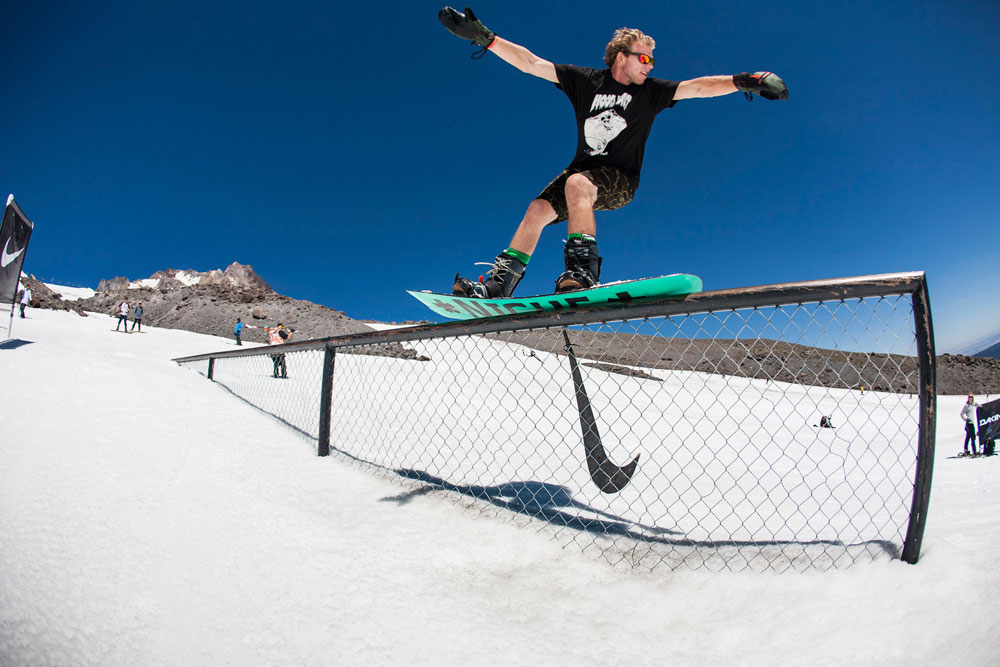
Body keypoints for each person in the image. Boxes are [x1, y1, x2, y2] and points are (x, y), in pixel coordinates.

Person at [439, 7, 789, 298]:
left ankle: (582, 272)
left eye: (652, 60)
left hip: (620, 181)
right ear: (621, 57)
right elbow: (532, 64)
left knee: (577, 184)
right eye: (644, 57)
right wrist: (485, 38)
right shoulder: (585, 81)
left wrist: (742, 81)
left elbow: (697, 87)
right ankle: (500, 285)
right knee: (538, 209)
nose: (650, 65)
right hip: (582, 173)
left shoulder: (652, 92)